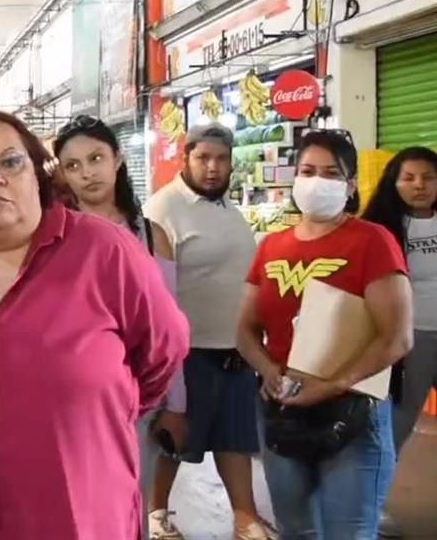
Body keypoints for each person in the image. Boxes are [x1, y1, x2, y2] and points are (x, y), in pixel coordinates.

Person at [0, 110, 189, 539]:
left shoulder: (106, 251)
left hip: (80, 511)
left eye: (10, 162)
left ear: (38, 173)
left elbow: (164, 350)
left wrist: (103, 410)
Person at [236, 129, 413, 539]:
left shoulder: (372, 241)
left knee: (347, 532)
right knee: (296, 531)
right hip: (282, 410)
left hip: (351, 415)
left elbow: (397, 338)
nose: (317, 181)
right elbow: (245, 329)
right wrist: (267, 370)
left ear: (350, 185)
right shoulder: (272, 246)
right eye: (308, 170)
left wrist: (332, 385)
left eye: (332, 173)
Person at [52, 114, 186, 540]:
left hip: (140, 399)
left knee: (129, 506)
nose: (87, 172)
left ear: (118, 159)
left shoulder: (150, 236)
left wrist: (177, 402)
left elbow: (171, 324)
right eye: (73, 165)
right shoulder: (50, 237)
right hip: (69, 399)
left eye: (95, 158)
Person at [143, 123, 274, 540]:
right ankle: (156, 512)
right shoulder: (163, 211)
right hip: (190, 352)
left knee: (235, 439)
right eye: (203, 158)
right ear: (186, 158)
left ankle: (244, 516)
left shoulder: (227, 210)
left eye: (221, 159)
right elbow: (156, 291)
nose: (213, 168)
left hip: (235, 349)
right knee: (174, 438)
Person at [363, 146, 437, 538]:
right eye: (409, 177)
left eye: (428, 176)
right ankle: (370, 510)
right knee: (395, 428)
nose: (420, 185)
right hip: (409, 340)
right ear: (394, 182)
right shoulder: (381, 229)